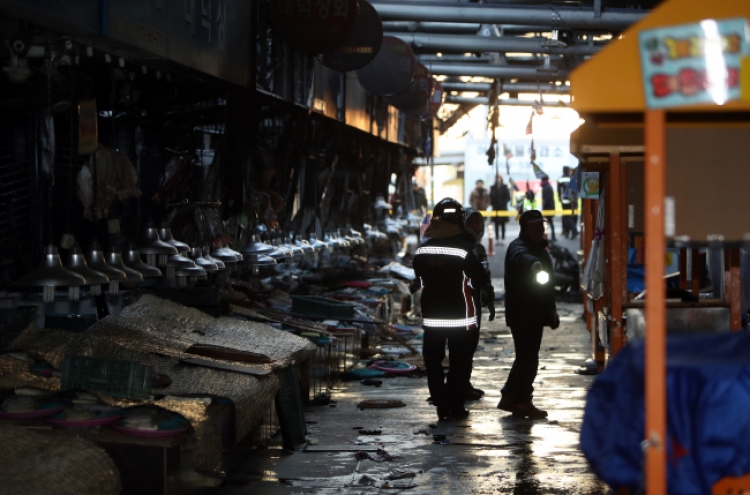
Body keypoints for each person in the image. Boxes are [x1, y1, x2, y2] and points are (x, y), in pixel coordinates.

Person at [413, 198, 491, 420]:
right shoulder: (466, 250)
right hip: (460, 316)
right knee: (460, 361)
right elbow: (480, 279)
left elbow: (418, 279)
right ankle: (455, 404)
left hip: (432, 316)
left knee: (433, 360)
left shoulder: (421, 251)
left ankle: (440, 402)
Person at [498, 209, 560, 419]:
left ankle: (511, 397)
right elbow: (521, 257)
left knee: (526, 358)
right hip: (522, 315)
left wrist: (551, 311)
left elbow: (547, 287)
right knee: (527, 359)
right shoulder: (519, 248)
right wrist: (533, 264)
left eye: (541, 227)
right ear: (524, 228)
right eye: (534, 227)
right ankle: (521, 400)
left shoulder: (539, 249)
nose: (539, 231)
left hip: (535, 314)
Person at [462, 208, 496, 401]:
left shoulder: (480, 249)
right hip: (463, 302)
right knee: (463, 345)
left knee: (472, 344)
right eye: (470, 223)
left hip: (475, 302)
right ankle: (459, 385)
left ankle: (465, 384)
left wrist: (489, 300)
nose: (474, 227)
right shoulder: (461, 247)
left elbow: (485, 277)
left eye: (477, 223)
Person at [489, 175, 511, 243]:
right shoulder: (492, 188)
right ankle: (497, 238)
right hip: (495, 208)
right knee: (496, 224)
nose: (498, 179)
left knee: (503, 224)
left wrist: (502, 202)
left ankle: (503, 238)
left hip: (503, 208)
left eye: (499, 178)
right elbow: (490, 197)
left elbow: (508, 197)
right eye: (496, 178)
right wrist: (493, 203)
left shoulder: (505, 187)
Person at [540, 175, 556, 241]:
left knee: (546, 223)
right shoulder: (548, 186)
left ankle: (546, 237)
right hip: (550, 207)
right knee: (550, 222)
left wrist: (543, 207)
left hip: (547, 208)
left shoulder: (545, 187)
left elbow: (546, 198)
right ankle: (553, 236)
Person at [558, 166, 572, 238]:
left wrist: (559, 199)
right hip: (570, 200)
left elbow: (558, 190)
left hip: (563, 200)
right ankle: (570, 231)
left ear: (563, 171)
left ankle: (566, 231)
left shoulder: (560, 179)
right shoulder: (571, 178)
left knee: (565, 216)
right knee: (570, 216)